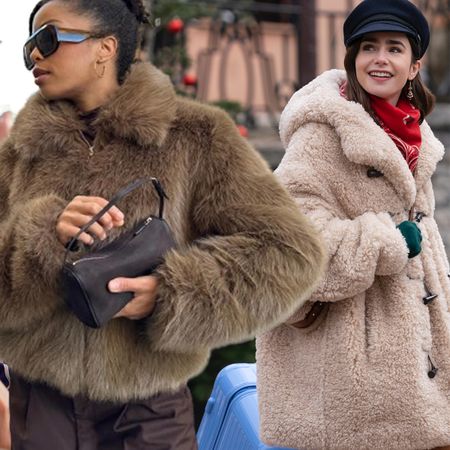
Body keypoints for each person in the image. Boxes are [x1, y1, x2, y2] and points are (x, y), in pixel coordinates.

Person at [0, 0, 325, 448]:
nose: (34, 54)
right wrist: (40, 238)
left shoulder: (196, 136)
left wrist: (171, 294)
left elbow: (290, 253)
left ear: (105, 48)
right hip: (41, 405)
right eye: (29, 45)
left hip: (148, 408)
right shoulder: (19, 153)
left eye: (48, 38)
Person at [257, 0, 450, 449]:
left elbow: (427, 249)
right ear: (352, 59)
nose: (380, 59)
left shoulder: (415, 137)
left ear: (414, 65)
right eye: (368, 47)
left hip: (421, 368)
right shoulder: (320, 136)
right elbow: (284, 243)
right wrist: (383, 241)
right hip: (352, 385)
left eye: (394, 48)